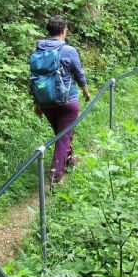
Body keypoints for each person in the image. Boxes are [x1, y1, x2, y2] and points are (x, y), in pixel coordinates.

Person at [30, 16, 91, 183]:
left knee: (62, 133)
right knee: (63, 136)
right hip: (67, 101)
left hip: (46, 101)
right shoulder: (69, 50)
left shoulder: (38, 50)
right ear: (64, 31)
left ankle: (69, 160)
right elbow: (79, 74)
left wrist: (37, 102)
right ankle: (55, 177)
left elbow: (34, 78)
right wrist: (86, 92)